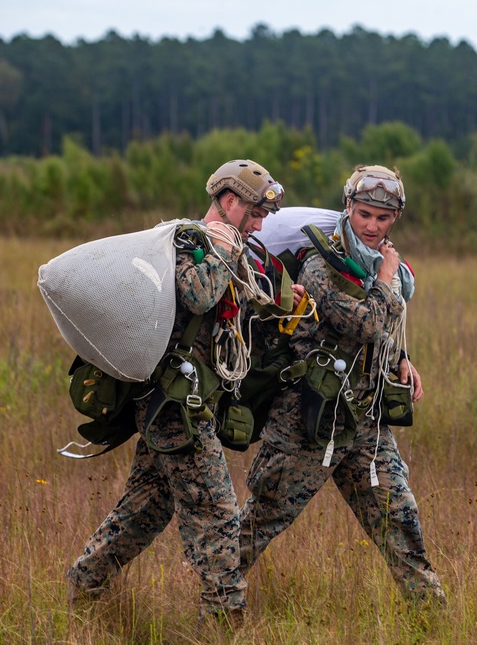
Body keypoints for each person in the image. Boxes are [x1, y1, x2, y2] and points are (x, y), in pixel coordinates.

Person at [66, 159, 302, 627]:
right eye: (254, 213)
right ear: (229, 202)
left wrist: (278, 292)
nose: (258, 224)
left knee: (145, 510)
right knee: (217, 514)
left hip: (191, 403)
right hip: (175, 405)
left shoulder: (232, 248)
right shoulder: (189, 244)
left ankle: (84, 583)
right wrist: (220, 247)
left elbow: (242, 308)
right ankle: (222, 623)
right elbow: (196, 296)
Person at [238, 164, 445, 605]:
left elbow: (379, 330)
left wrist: (400, 358)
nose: (372, 226)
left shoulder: (376, 267)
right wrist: (387, 277)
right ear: (347, 207)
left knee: (400, 522)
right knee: (259, 523)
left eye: (382, 218)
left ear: (395, 219)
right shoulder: (322, 264)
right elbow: (363, 322)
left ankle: (432, 620)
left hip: (366, 422)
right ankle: (215, 604)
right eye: (364, 214)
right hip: (310, 419)